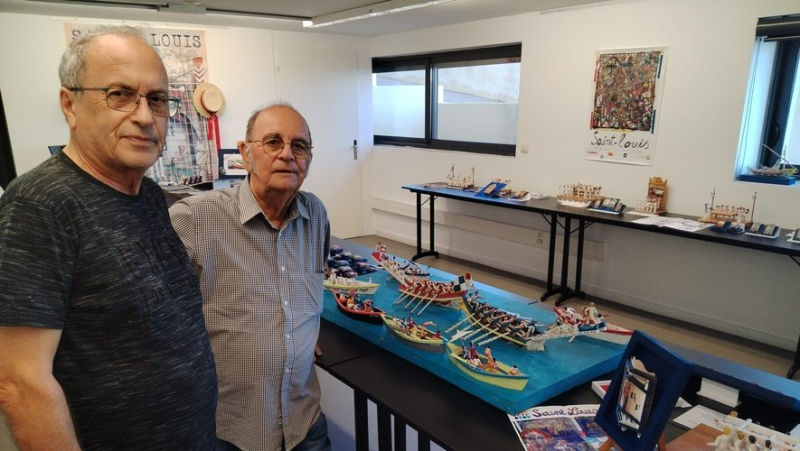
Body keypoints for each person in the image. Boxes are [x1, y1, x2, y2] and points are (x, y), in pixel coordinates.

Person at [0, 26, 217, 450]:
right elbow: (20, 382)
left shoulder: (150, 195)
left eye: (156, 99)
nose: (143, 115)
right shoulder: (41, 206)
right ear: (70, 104)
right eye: (120, 94)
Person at [170, 102, 332, 451]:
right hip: (233, 428)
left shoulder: (316, 214)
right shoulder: (195, 219)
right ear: (245, 153)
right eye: (273, 142)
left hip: (304, 419)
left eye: (299, 145)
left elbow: (306, 290)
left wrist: (297, 331)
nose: (288, 154)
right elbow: (158, 320)